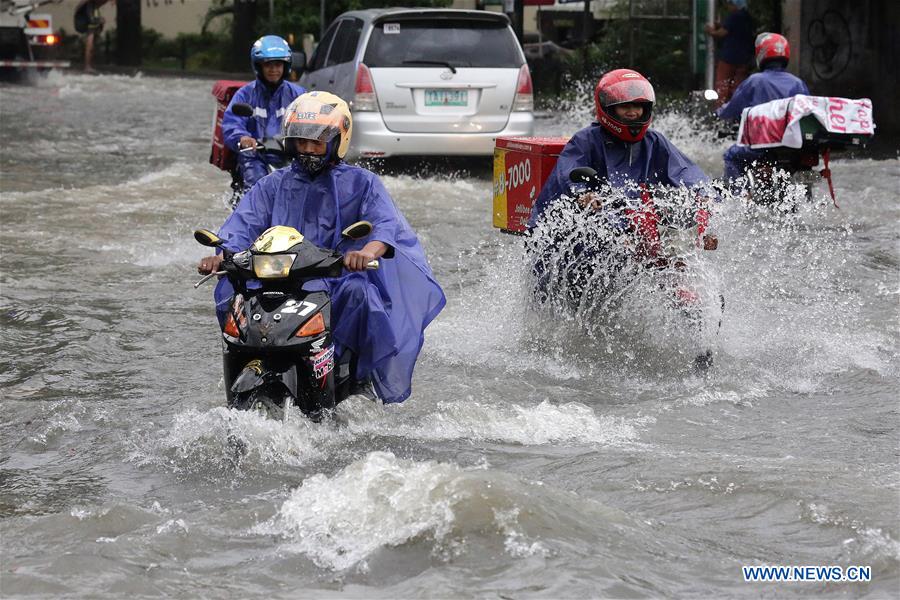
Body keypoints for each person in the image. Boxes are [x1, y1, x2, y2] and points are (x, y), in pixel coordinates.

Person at [198, 91, 446, 404]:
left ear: (337, 141)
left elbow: (384, 225)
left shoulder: (363, 183)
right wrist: (220, 256)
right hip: (275, 279)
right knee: (228, 291)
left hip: (334, 279)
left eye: (316, 142)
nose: (308, 150)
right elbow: (241, 225)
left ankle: (356, 377)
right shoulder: (272, 184)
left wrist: (365, 253)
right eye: (301, 142)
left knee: (362, 294)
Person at [717, 32, 810, 182]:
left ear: (761, 54)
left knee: (731, 156)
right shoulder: (798, 83)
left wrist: (720, 112)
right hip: (795, 146)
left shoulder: (755, 81)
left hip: (761, 146)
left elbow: (732, 109)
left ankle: (737, 200)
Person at [221, 35, 305, 190]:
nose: (274, 70)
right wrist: (243, 137)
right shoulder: (244, 94)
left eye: (278, 65)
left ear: (285, 66)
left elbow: (311, 122)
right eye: (268, 65)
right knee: (257, 187)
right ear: (259, 67)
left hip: (290, 155)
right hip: (255, 156)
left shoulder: (298, 95)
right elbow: (232, 124)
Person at [704, 0, 755, 107]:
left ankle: (721, 111)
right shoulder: (747, 17)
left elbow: (722, 32)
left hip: (729, 58)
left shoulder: (734, 16)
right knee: (738, 87)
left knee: (723, 86)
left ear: (734, 4)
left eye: (730, 4)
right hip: (744, 58)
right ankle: (737, 111)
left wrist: (711, 32)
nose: (728, 7)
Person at [74, 0, 111, 74]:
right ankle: (87, 66)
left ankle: (89, 65)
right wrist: (101, 20)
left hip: (85, 22)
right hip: (85, 24)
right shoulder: (90, 5)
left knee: (91, 42)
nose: (103, 3)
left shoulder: (93, 6)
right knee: (90, 42)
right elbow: (92, 19)